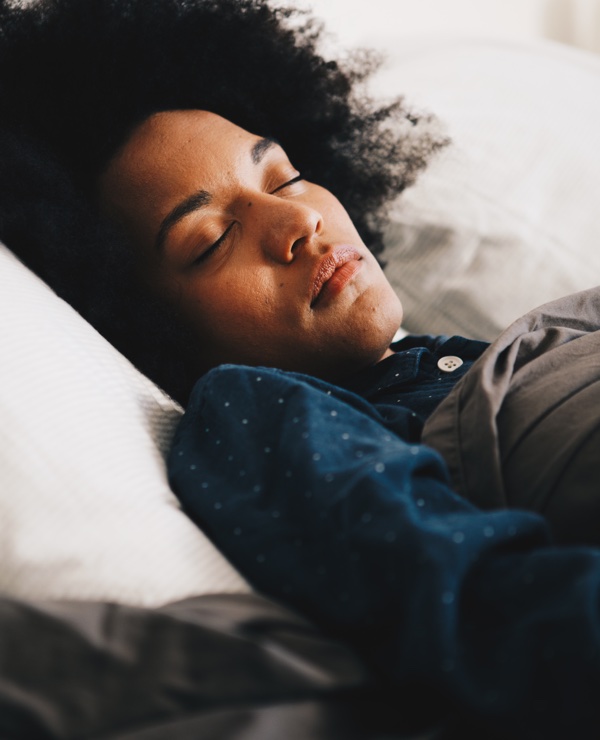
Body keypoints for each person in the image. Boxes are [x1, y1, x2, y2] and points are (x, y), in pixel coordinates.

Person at [1, 0, 600, 738]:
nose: (297, 223)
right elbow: (487, 611)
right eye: (212, 239)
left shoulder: (478, 350)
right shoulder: (262, 413)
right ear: (145, 323)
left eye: (283, 179)